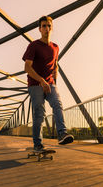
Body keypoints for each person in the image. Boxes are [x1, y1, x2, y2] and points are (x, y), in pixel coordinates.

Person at [23, 15, 74, 151]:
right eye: (44, 26)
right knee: (39, 113)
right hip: (35, 84)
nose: (47, 28)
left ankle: (62, 134)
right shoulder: (33, 46)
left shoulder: (55, 47)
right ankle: (38, 144)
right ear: (39, 29)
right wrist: (41, 81)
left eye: (49, 26)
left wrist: (54, 76)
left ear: (52, 28)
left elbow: (55, 64)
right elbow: (27, 68)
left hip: (50, 83)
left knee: (57, 104)